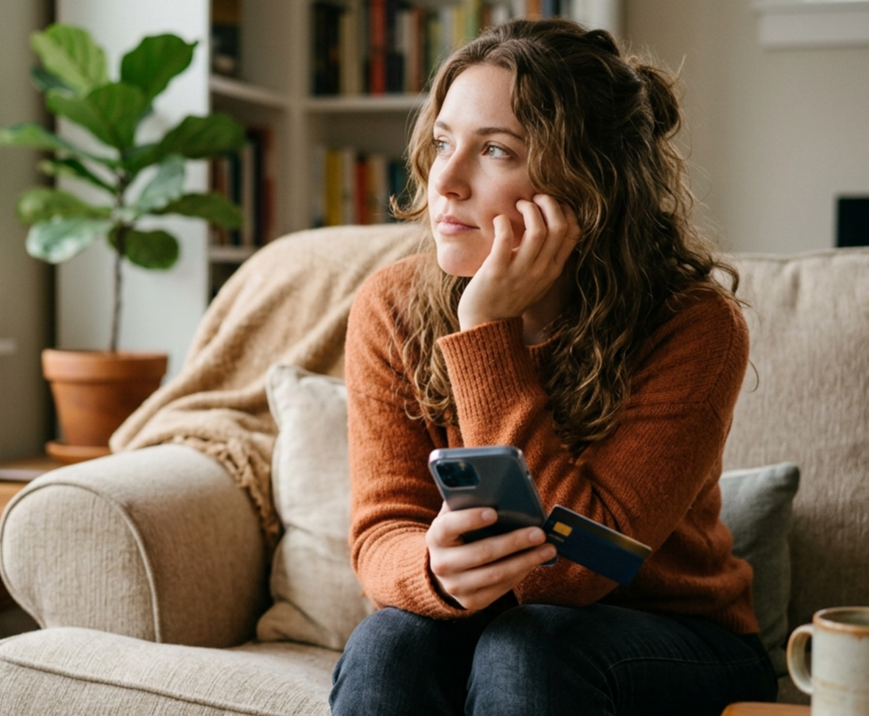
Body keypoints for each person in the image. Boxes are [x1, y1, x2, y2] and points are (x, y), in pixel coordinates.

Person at [332, 18, 778, 716]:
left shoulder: (693, 326)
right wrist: (433, 570)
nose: (444, 181)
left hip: (675, 636)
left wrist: (487, 333)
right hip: (493, 623)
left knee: (530, 646)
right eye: (443, 142)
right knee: (389, 642)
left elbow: (580, 568)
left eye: (496, 150)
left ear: (588, 182)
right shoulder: (392, 306)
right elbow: (384, 529)